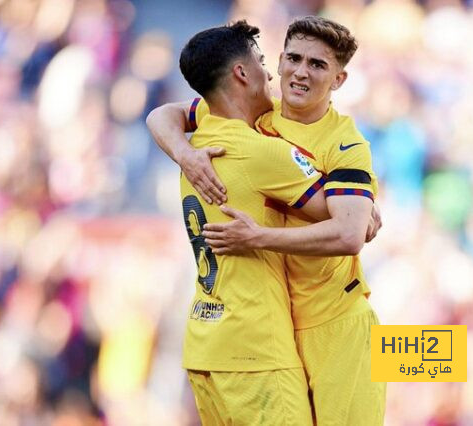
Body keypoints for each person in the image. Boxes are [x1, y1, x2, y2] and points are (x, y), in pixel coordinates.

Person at [147, 16, 385, 425]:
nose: (300, 72)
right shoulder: (255, 118)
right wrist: (185, 154)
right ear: (276, 61)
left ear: (339, 79)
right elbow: (163, 114)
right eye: (293, 58)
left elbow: (351, 233)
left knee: (440, 358)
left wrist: (259, 237)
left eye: (318, 65)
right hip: (270, 331)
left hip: (335, 324)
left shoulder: (346, 144)